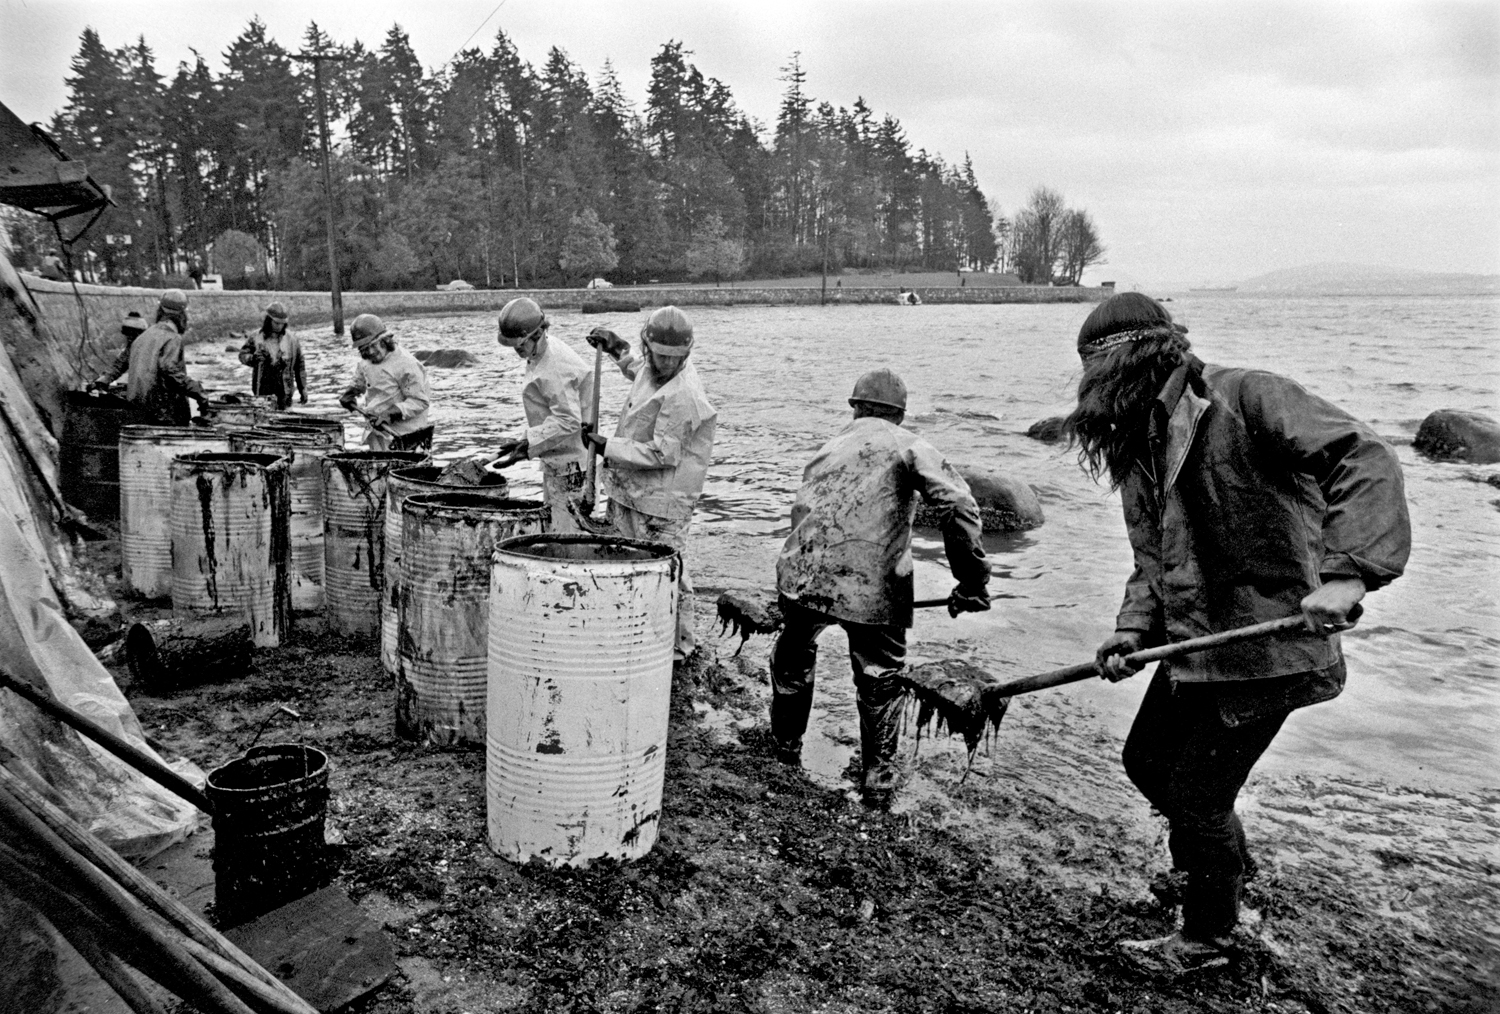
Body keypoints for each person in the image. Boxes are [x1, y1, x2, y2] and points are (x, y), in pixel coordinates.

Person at [1067, 292, 1410, 970]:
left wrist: (1350, 574)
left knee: (1197, 794)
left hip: (1270, 647)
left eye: (1092, 371)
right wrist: (1133, 630)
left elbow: (1364, 457)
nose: (1087, 391)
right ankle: (1219, 872)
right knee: (1148, 764)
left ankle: (1210, 937)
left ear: (1132, 358)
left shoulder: (1247, 397)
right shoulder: (1139, 436)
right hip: (1194, 643)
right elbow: (1155, 558)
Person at [769, 369, 991, 808]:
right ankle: (878, 776)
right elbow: (958, 504)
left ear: (855, 407)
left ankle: (784, 749)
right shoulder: (908, 444)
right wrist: (971, 580)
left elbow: (803, 512)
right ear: (901, 414)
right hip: (871, 589)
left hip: (801, 576)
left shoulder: (828, 447)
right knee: (879, 678)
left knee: (793, 656)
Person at [584, 306, 716, 661]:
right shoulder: (651, 367)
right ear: (648, 349)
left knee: (668, 569)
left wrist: (606, 446)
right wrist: (617, 351)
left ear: (686, 354)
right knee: (629, 561)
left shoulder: (683, 393)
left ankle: (679, 648)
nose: (667, 364)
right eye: (659, 356)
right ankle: (635, 629)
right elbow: (639, 372)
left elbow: (662, 454)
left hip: (665, 498)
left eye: (675, 358)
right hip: (632, 490)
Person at [490, 297, 594, 532]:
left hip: (573, 465)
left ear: (537, 334)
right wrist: (526, 441)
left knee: (567, 535)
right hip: (558, 457)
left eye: (520, 346)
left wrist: (529, 444)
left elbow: (568, 421)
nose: (518, 351)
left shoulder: (555, 367)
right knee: (555, 528)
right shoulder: (541, 350)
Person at [92, 289, 208, 425]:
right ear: (182, 315)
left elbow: (121, 363)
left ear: (160, 311)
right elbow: (169, 369)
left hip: (137, 410)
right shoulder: (173, 338)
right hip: (164, 414)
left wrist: (101, 381)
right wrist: (198, 391)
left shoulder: (143, 336)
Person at [338, 313, 433, 451]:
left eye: (373, 345)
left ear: (385, 340)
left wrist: (390, 414)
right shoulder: (366, 361)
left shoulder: (405, 364)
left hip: (405, 438)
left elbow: (419, 401)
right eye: (364, 349)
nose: (370, 352)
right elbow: (360, 378)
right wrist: (351, 393)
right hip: (377, 431)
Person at [238, 301, 306, 410]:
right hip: (263, 390)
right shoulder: (256, 337)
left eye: (282, 323)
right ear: (268, 320)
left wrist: (303, 388)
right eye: (276, 323)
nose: (279, 326)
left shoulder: (292, 340)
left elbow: (300, 365)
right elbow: (242, 355)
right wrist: (253, 358)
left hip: (285, 391)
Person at [89, 311, 150, 392]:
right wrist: (101, 381)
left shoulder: (150, 348)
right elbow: (119, 366)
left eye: (132, 334)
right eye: (127, 334)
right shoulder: (131, 349)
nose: (129, 338)